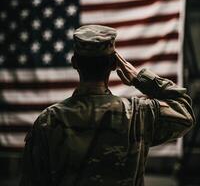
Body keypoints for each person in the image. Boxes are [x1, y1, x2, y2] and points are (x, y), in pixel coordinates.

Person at [20, 25, 195, 186]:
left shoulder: (49, 120)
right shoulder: (139, 114)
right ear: (113, 65)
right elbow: (185, 111)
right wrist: (140, 78)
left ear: (74, 62)